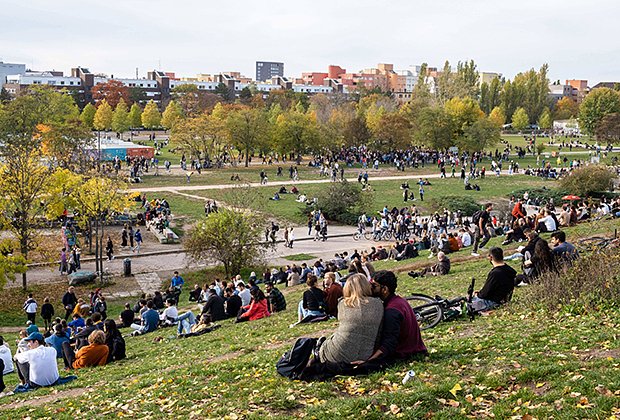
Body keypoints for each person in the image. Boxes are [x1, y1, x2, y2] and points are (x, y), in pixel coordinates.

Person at [360, 271, 427, 367]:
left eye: (374, 286)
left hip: (404, 353)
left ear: (385, 289)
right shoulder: (399, 301)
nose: (371, 288)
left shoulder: (391, 311)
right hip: (415, 348)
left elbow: (389, 343)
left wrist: (369, 360)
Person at [316, 274, 384, 365]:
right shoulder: (379, 304)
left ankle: (317, 351)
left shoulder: (342, 304)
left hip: (336, 355)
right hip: (366, 355)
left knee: (327, 341)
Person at [470, 247, 517, 312]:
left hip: (493, 302)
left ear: (491, 257)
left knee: (465, 304)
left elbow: (485, 293)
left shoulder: (495, 273)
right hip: (505, 299)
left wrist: (477, 294)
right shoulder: (510, 270)